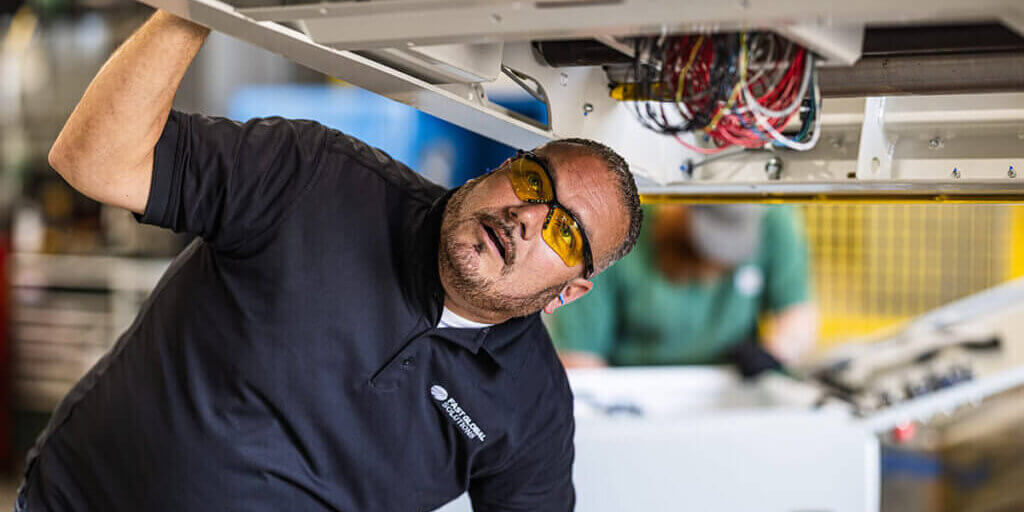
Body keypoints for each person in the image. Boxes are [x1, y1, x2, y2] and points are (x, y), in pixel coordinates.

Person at [18, 10, 643, 512]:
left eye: (564, 235)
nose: (529, 218)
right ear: (502, 170)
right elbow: (94, 161)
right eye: (534, 184)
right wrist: (199, 8)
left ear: (570, 291)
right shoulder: (314, 178)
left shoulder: (531, 408)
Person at [553, 204, 816, 370]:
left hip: (731, 388)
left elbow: (796, 315)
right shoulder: (611, 238)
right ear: (676, 209)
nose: (710, 276)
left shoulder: (773, 218)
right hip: (635, 392)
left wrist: (773, 353)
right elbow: (579, 358)